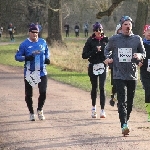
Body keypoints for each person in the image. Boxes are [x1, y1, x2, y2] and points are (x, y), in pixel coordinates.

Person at [104, 16, 145, 136]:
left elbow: (143, 53)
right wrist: (108, 58)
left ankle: (126, 120)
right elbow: (107, 50)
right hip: (118, 74)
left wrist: (139, 56)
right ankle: (124, 125)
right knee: (122, 100)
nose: (128, 26)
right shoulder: (114, 39)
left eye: (129, 24)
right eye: (125, 24)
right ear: (121, 26)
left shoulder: (137, 39)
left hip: (132, 75)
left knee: (130, 102)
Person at [15, 24, 50, 121]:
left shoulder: (43, 42)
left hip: (42, 72)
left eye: (36, 32)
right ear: (29, 32)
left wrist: (47, 58)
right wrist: (26, 57)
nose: (35, 34)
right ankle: (31, 112)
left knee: (43, 92)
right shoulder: (24, 44)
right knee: (29, 94)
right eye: (33, 32)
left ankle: (40, 109)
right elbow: (17, 57)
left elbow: (47, 51)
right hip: (30, 73)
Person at [82, 22, 108, 119]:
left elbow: (110, 52)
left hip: (103, 66)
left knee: (102, 87)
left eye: (100, 30)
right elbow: (84, 55)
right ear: (94, 31)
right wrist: (95, 50)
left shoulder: (106, 40)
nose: (98, 32)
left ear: (102, 30)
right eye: (96, 30)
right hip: (93, 66)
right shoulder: (90, 41)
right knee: (94, 87)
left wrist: (106, 57)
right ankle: (93, 108)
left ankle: (102, 110)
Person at [109, 24, 121, 107]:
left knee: (123, 84)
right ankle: (113, 97)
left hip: (125, 66)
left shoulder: (129, 40)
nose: (121, 30)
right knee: (115, 84)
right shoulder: (113, 40)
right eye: (119, 29)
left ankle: (121, 101)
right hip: (115, 66)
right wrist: (110, 62)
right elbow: (109, 52)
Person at [140, 24, 150, 122]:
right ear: (144, 32)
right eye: (148, 31)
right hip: (145, 72)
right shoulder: (141, 44)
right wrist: (138, 61)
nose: (149, 33)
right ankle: (149, 113)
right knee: (148, 91)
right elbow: (135, 56)